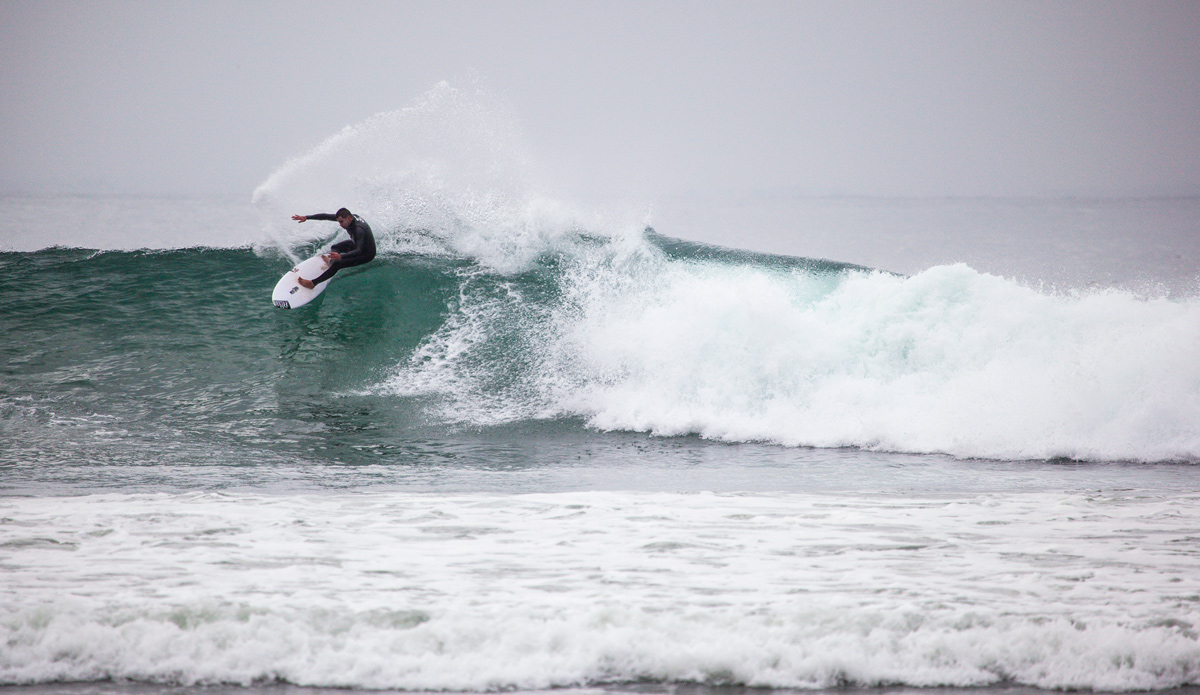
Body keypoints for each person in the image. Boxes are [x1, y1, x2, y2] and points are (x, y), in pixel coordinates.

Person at [290, 208, 376, 289]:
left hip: (366, 253)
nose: (340, 225)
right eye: (339, 222)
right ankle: (332, 262)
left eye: (342, 222)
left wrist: (341, 256)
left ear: (349, 218)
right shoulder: (349, 217)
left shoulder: (358, 230)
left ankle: (312, 283)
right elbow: (326, 216)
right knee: (335, 247)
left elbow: (359, 250)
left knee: (339, 264)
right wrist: (307, 217)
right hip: (358, 243)